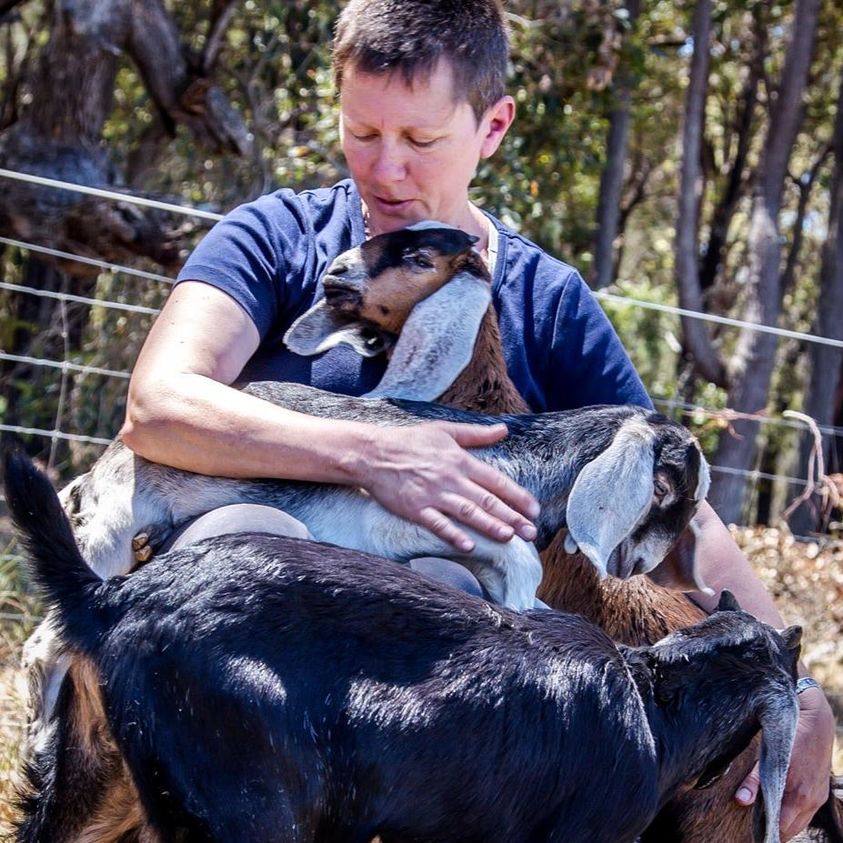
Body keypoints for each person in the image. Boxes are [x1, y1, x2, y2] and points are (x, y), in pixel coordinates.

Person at [120, 0, 835, 838]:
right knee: (236, 538)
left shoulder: (546, 300)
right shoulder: (276, 240)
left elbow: (677, 507)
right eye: (360, 132)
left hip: (450, 730)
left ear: (491, 126)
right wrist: (371, 455)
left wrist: (793, 683)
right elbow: (160, 403)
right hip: (248, 659)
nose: (383, 170)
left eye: (419, 141)